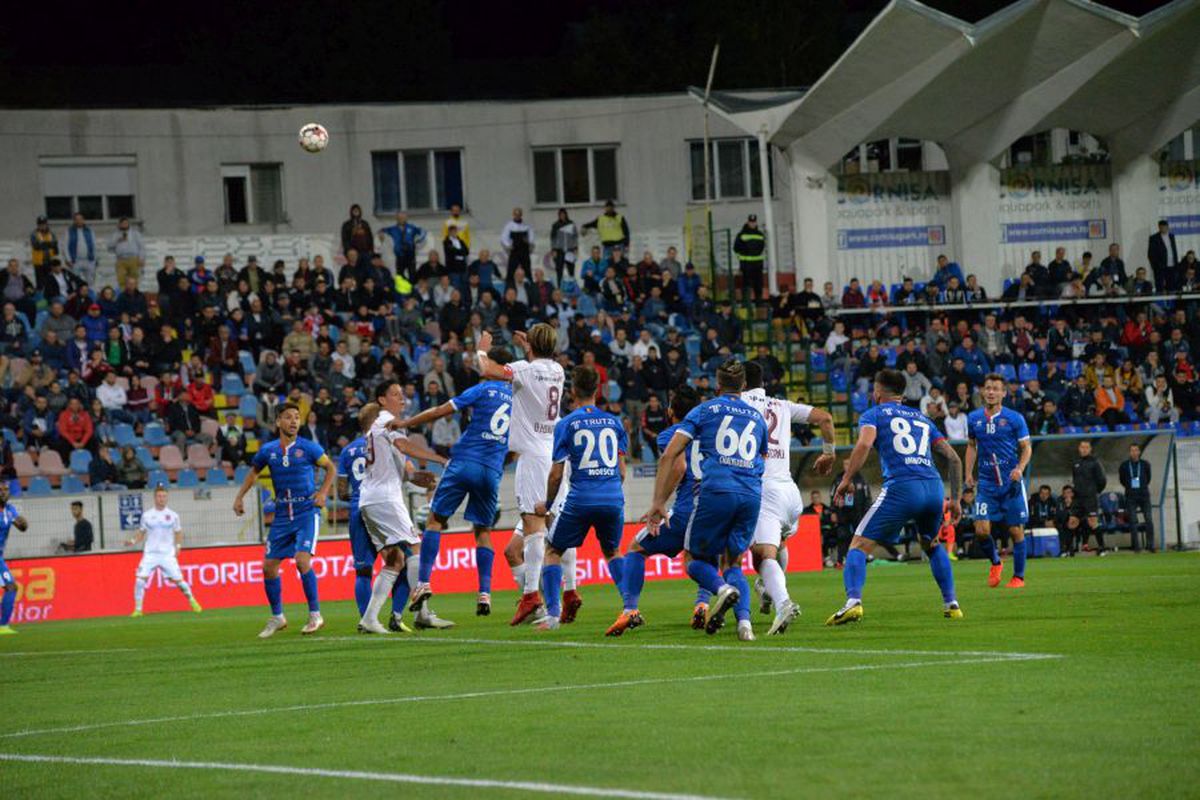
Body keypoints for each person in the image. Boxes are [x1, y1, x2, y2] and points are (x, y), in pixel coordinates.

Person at [827, 368, 964, 625]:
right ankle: (952, 603)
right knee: (932, 544)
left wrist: (846, 480)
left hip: (902, 487)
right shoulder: (923, 419)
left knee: (857, 545)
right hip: (934, 488)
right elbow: (954, 459)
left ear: (878, 391)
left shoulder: (873, 414)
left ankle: (853, 602)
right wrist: (955, 499)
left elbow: (865, 445)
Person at [646, 359, 767, 641]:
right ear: (745, 386)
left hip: (716, 491)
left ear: (717, 384)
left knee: (693, 559)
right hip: (751, 494)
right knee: (734, 562)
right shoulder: (757, 417)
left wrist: (657, 502)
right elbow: (762, 459)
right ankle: (745, 625)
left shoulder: (704, 410)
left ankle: (721, 590)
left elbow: (669, 455)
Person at [389, 347, 514, 617]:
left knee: (435, 521)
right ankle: (484, 593)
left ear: (493, 365)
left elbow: (440, 410)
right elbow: (515, 448)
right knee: (482, 531)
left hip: (464, 462)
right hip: (491, 470)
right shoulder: (518, 399)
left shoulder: (481, 390)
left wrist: (406, 422)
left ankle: (422, 584)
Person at [475, 324, 565, 626]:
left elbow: (486, 369)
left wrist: (482, 347)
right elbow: (537, 363)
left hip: (532, 455)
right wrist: (530, 347)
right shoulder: (557, 370)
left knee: (533, 523)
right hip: (550, 450)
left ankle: (531, 596)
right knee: (544, 525)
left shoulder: (524, 371)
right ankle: (555, 593)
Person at [740, 361, 836, 635]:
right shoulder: (781, 405)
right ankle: (768, 589)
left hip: (764, 491)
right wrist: (828, 452)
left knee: (762, 555)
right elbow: (826, 418)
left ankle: (783, 602)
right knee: (777, 544)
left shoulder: (736, 404)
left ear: (742, 384)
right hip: (790, 492)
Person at [535, 365, 628, 630]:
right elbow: (622, 472)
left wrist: (548, 505)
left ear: (573, 391)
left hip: (581, 499)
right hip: (612, 497)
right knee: (612, 552)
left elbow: (556, 474)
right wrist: (608, 489)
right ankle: (630, 607)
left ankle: (553, 616)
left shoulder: (566, 424)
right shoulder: (615, 422)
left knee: (553, 551)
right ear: (598, 390)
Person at [232, 402, 336, 638]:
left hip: (306, 512)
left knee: (301, 561)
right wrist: (239, 497)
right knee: (268, 567)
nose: (294, 421)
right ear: (278, 422)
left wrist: (322, 493)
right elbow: (253, 473)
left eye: (297, 417)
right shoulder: (268, 450)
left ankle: (315, 615)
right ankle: (278, 617)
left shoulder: (309, 448)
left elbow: (330, 468)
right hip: (282, 515)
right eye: (288, 417)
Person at [614, 386, 709, 633]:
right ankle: (703, 604)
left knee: (636, 549)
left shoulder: (669, 435)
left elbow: (679, 467)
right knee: (700, 557)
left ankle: (630, 610)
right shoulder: (710, 433)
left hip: (685, 509)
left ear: (670, 410)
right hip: (711, 510)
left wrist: (659, 504)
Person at [355, 382, 449, 634]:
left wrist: (414, 477)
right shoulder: (387, 421)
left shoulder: (376, 429)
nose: (402, 400)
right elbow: (404, 447)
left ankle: (370, 618)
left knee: (394, 560)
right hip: (385, 498)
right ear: (382, 400)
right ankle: (423, 614)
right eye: (395, 395)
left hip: (370, 499)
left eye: (403, 395)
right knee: (416, 546)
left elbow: (390, 464)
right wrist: (440, 458)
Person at [337, 408, 409, 628]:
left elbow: (341, 492)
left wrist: (358, 494)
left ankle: (365, 619)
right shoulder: (384, 442)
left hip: (358, 509)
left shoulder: (347, 451)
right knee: (403, 562)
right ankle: (396, 616)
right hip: (382, 506)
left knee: (363, 569)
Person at [965, 373, 1032, 589]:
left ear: (1004, 393)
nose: (991, 392)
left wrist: (1020, 469)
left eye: (996, 388)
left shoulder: (1015, 418)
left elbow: (1026, 448)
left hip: (1010, 485)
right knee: (981, 530)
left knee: (1015, 531)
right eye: (988, 388)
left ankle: (1018, 577)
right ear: (983, 391)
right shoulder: (973, 418)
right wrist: (968, 473)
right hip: (986, 484)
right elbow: (971, 446)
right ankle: (996, 562)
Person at [125, 486, 202, 617]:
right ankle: (138, 609)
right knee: (139, 580)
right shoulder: (147, 515)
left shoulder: (173, 515)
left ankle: (192, 600)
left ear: (167, 498)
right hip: (150, 554)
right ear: (155, 498)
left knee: (180, 582)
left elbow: (178, 532)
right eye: (159, 496)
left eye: (164, 496)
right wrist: (132, 541)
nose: (161, 499)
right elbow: (141, 532)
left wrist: (178, 546)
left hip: (167, 554)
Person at [0, 483, 29, 634]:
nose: (4, 492)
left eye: (6, 490)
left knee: (10, 587)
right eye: (1, 490)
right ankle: (3, 626)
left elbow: (22, 526)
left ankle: (3, 626)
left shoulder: (10, 509)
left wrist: (23, 524)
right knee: (11, 587)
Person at [1071, 440, 1108, 556]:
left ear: (1090, 449)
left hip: (1090, 498)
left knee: (1093, 522)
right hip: (1078, 498)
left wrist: (1094, 492)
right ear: (1079, 448)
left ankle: (1102, 548)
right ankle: (1068, 549)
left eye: (1086, 447)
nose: (1084, 449)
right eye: (1082, 447)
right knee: (1072, 521)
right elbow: (1074, 479)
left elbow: (1102, 480)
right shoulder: (1076, 463)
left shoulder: (1095, 462)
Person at [1118, 444, 1154, 553]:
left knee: (1148, 519)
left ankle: (1150, 545)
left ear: (1139, 452)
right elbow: (1122, 480)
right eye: (1132, 450)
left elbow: (1148, 479)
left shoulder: (1145, 464)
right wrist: (1131, 487)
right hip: (1130, 496)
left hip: (1144, 495)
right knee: (1133, 521)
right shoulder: (1124, 465)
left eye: (1136, 450)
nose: (1134, 452)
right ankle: (1136, 547)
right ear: (1129, 452)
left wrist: (1140, 486)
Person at [377, 211, 425, 281]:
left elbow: (423, 232)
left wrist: (419, 240)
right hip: (399, 256)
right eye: (399, 218)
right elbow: (381, 230)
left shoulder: (412, 227)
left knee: (412, 275)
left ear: (406, 218)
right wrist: (380, 233)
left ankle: (411, 290)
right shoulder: (392, 229)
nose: (401, 219)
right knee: (400, 276)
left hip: (411, 255)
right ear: (396, 218)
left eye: (403, 217)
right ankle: (402, 290)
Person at [733, 214, 767, 302]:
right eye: (751, 222)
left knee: (758, 285)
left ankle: (759, 304)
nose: (752, 224)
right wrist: (742, 260)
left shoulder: (760, 235)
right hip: (746, 265)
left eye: (754, 222)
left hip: (758, 265)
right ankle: (746, 304)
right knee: (746, 286)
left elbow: (762, 247)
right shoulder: (741, 234)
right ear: (748, 222)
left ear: (756, 223)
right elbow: (736, 248)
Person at [107, 217, 145, 290]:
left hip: (133, 259)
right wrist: (117, 241)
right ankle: (124, 296)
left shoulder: (135, 233)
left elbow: (141, 247)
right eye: (122, 223)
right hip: (121, 260)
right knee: (121, 280)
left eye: (126, 223)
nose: (124, 225)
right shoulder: (115, 234)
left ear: (128, 224)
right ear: (119, 225)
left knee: (134, 279)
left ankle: (135, 296)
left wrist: (141, 258)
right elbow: (109, 248)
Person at [500, 207, 533, 282]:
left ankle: (531, 287)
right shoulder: (509, 225)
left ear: (521, 215)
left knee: (527, 270)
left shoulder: (526, 225)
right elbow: (503, 237)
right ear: (513, 215)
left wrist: (529, 241)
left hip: (524, 250)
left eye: (519, 214)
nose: (517, 216)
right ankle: (508, 287)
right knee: (511, 270)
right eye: (516, 214)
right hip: (515, 250)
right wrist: (508, 245)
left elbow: (531, 236)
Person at [1147, 219, 1179, 292]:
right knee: (1160, 286)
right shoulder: (1154, 238)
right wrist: (1156, 266)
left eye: (1165, 227)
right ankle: (1161, 302)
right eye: (1161, 227)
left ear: (1167, 227)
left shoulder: (1171, 236)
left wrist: (1176, 264)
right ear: (1159, 227)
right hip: (1160, 267)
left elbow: (1174, 251)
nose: (1163, 228)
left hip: (1171, 266)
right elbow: (1151, 254)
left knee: (1171, 286)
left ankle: (1171, 303)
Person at [549, 208, 579, 285]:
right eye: (560, 215)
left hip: (570, 250)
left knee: (571, 271)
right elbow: (553, 238)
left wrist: (575, 247)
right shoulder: (555, 225)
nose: (562, 216)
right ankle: (560, 288)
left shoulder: (571, 224)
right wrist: (553, 249)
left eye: (563, 214)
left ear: (566, 215)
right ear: (559, 216)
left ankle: (572, 287)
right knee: (559, 271)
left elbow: (575, 236)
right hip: (559, 251)